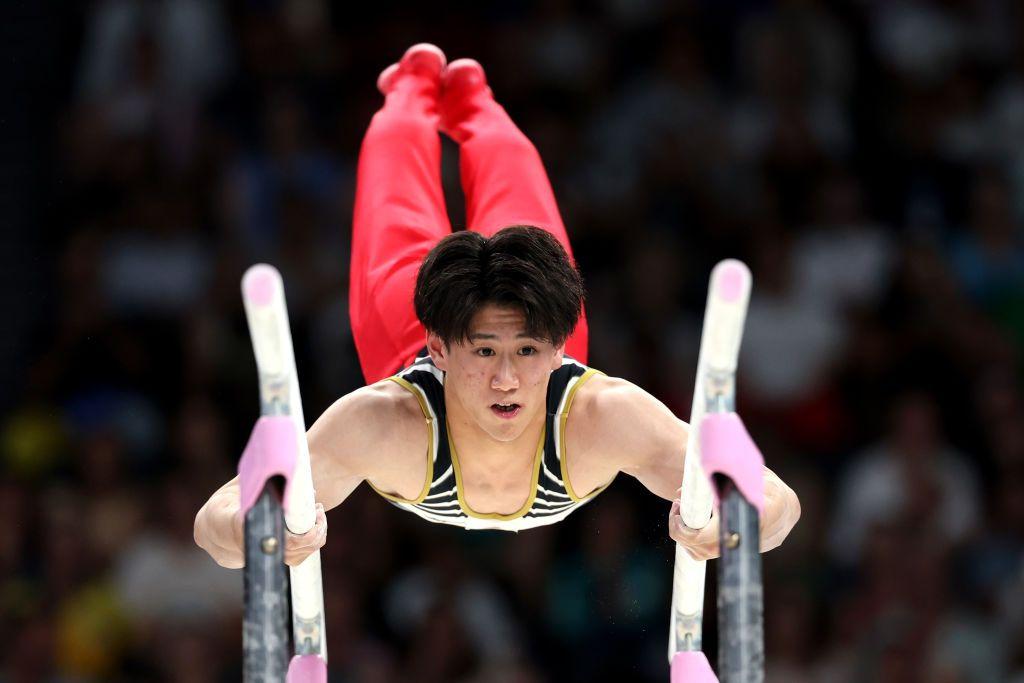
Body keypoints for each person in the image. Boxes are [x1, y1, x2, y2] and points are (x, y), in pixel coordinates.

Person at [194, 44, 801, 568]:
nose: (506, 377)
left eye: (527, 352)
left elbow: (778, 503)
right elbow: (212, 523)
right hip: (404, 331)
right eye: (485, 351)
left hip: (516, 342)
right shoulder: (383, 424)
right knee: (395, 198)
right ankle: (407, 92)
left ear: (557, 345)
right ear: (442, 347)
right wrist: (252, 534)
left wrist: (737, 526)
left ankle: (475, 103)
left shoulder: (605, 417)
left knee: (520, 205)